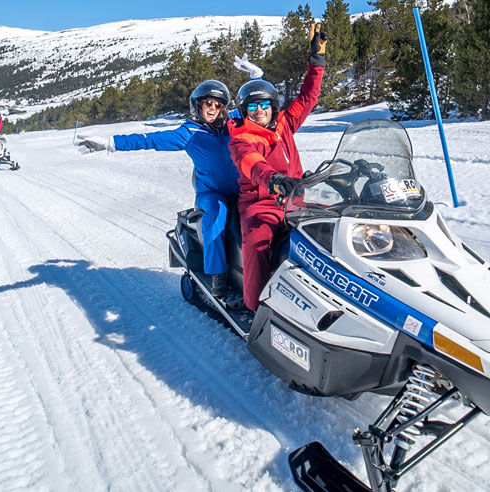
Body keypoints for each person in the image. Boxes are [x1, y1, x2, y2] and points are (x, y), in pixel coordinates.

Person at [77, 81, 243, 304]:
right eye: (208, 103)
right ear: (198, 105)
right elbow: (150, 140)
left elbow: (252, 105)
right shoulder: (189, 132)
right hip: (212, 194)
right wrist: (110, 143)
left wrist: (255, 77)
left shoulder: (230, 124)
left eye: (218, 104)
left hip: (241, 190)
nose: (213, 108)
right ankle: (218, 277)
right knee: (217, 214)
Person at [228, 23, 326, 312]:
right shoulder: (242, 138)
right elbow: (251, 164)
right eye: (252, 107)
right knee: (258, 246)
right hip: (261, 206)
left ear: (272, 105)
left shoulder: (284, 124)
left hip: (296, 201)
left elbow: (309, 97)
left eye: (264, 105)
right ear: (245, 111)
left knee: (336, 227)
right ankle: (255, 306)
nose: (259, 111)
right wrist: (273, 180)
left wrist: (317, 61)